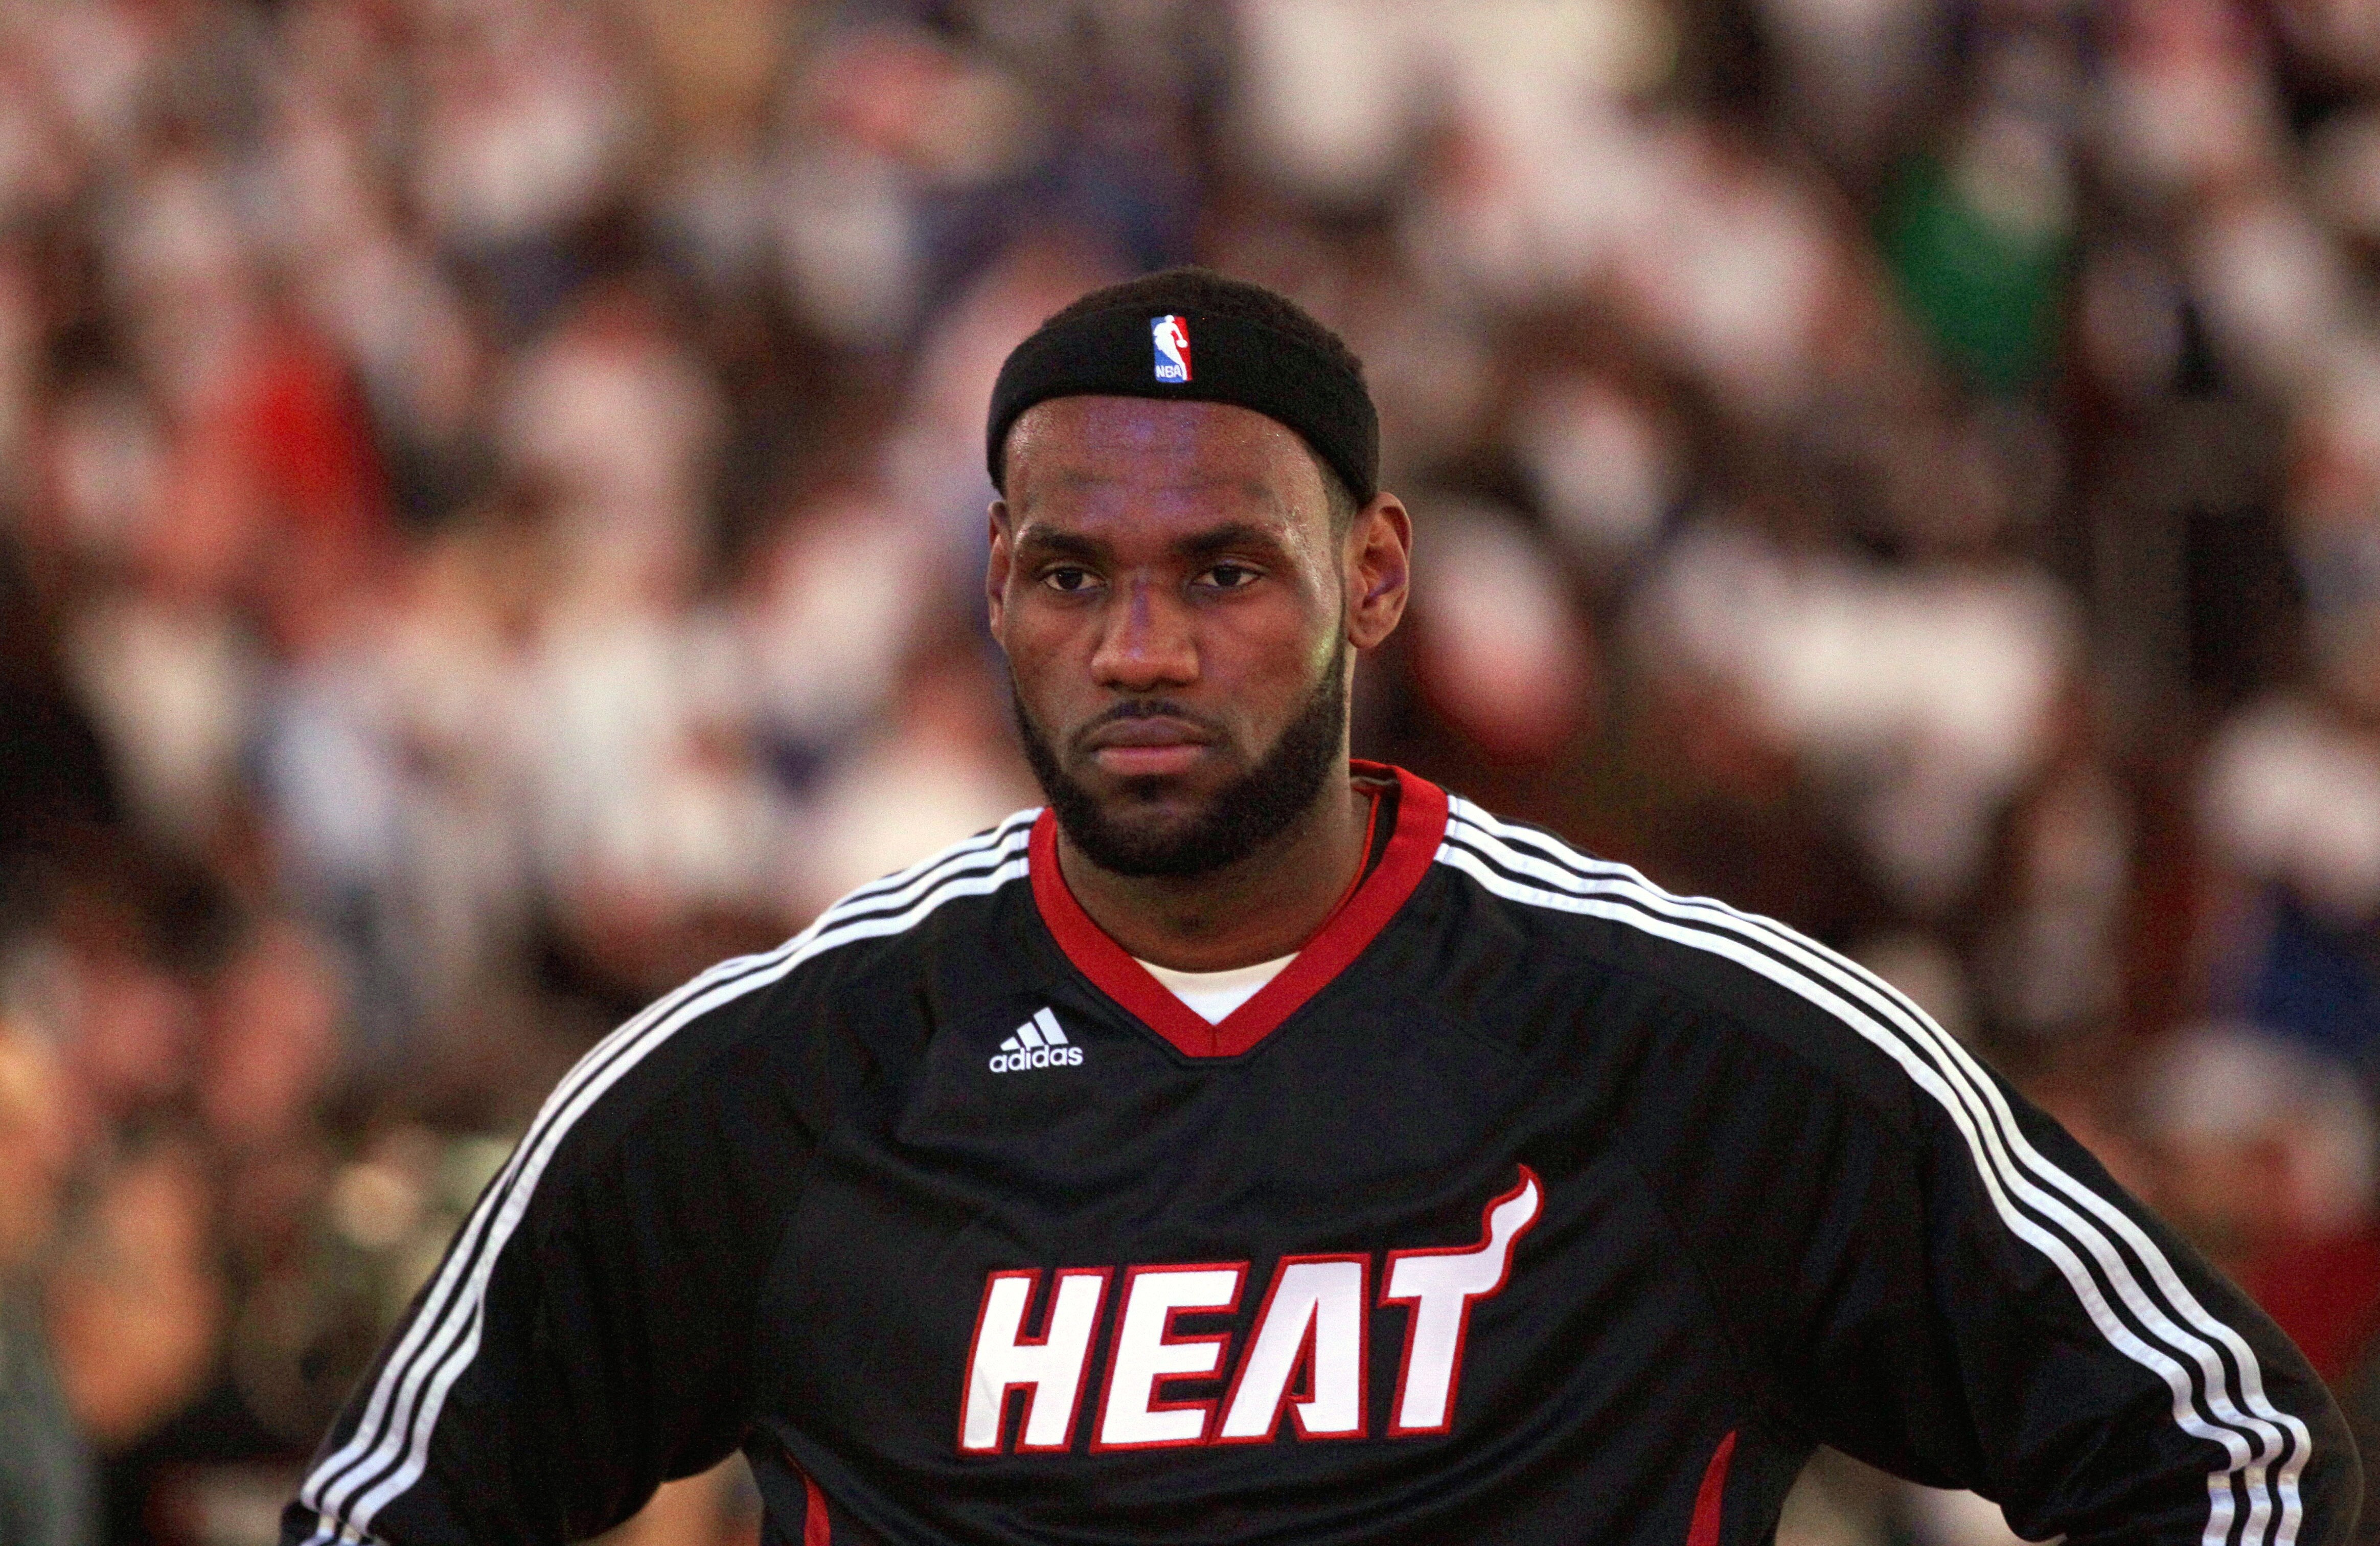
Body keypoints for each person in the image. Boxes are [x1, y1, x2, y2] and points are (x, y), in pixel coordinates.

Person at [281, 269, 2359, 1546]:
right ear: (992, 586)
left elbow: (2229, 1449)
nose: (1144, 648)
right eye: (1072, 576)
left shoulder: (1679, 1040)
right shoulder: (792, 1077)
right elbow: (387, 1510)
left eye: (1225, 572)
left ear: (1371, 577)